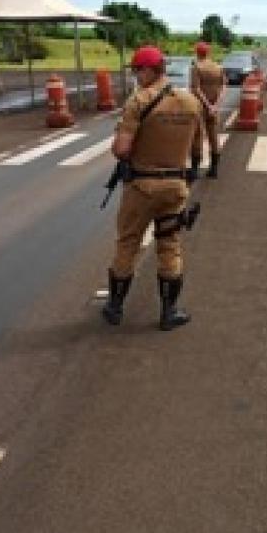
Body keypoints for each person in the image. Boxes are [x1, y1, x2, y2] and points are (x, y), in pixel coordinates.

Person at [102, 45, 205, 331]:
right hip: (175, 186)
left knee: (128, 243)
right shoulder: (190, 102)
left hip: (141, 187)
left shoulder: (139, 101)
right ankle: (169, 313)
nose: (135, 76)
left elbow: (121, 150)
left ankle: (115, 307)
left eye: (137, 70)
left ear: (148, 71)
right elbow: (197, 149)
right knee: (169, 245)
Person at [189, 41, 226, 178]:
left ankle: (194, 171)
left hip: (199, 106)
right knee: (214, 136)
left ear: (197, 53)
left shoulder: (196, 67)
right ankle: (214, 169)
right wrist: (215, 105)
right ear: (208, 53)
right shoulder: (218, 67)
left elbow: (196, 89)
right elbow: (223, 87)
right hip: (214, 107)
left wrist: (207, 105)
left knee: (197, 136)